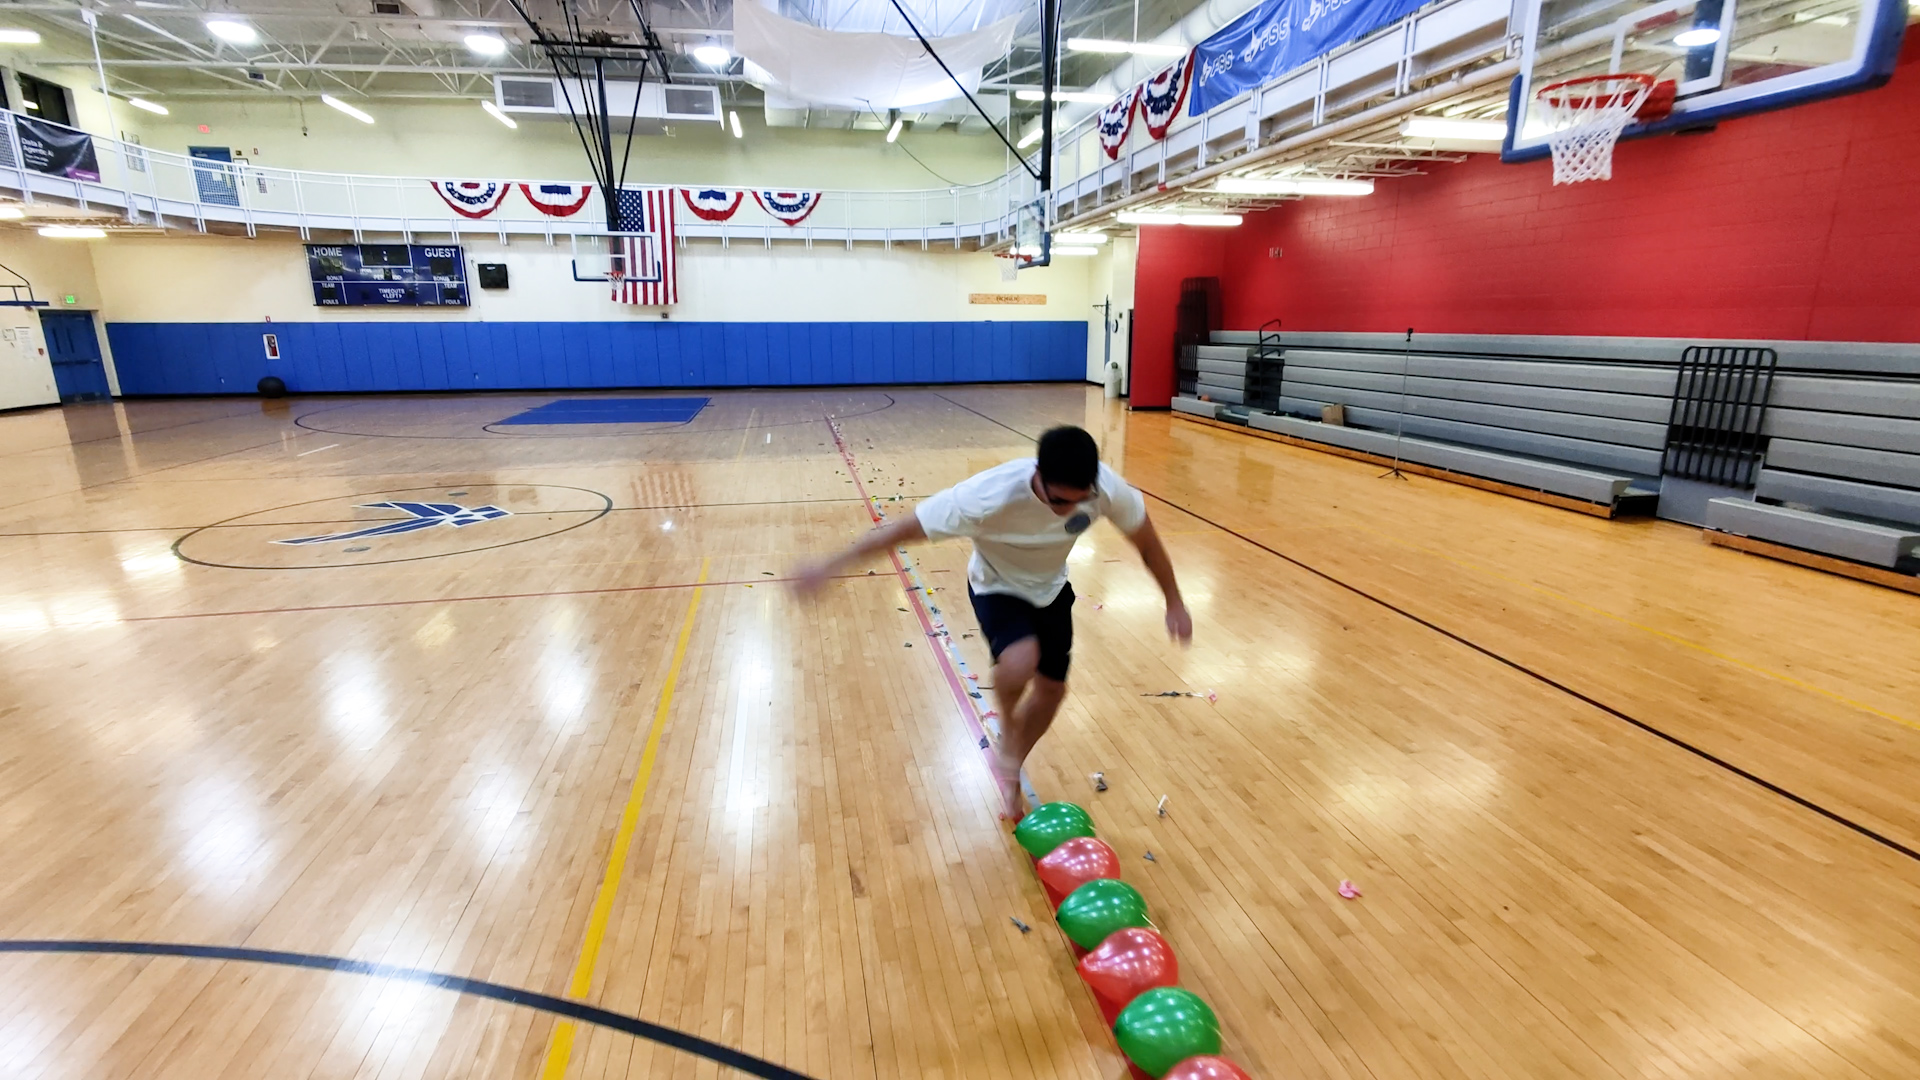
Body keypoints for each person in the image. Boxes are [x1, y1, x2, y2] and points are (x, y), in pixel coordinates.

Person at [795, 425, 1191, 819]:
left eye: (1078, 501)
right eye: (1057, 502)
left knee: (1053, 692)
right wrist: (831, 567)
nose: (1069, 510)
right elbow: (899, 530)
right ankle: (1008, 736)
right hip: (995, 585)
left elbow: (1147, 543)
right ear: (1039, 475)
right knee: (1020, 660)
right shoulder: (986, 497)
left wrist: (1174, 600)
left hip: (1050, 588)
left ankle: (1013, 765)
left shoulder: (1105, 490)